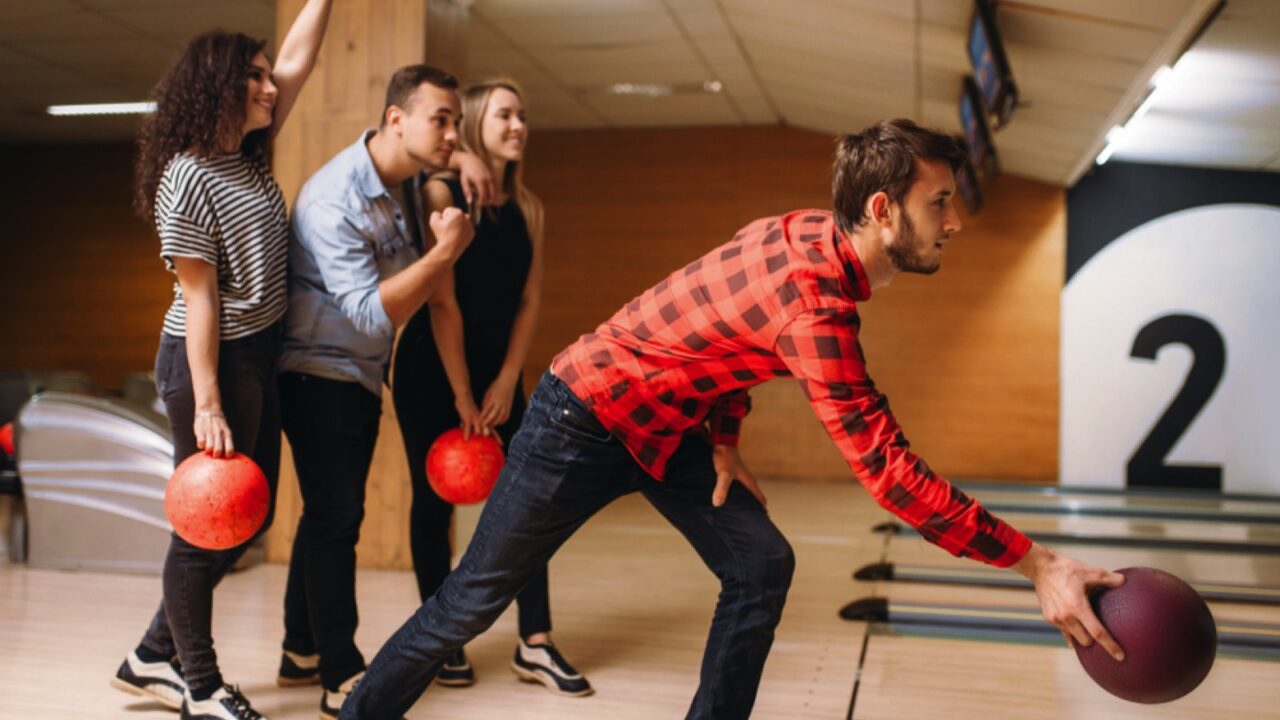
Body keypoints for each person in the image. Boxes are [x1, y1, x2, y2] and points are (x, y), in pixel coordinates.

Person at [339, 119, 1127, 720]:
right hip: (580, 416)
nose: (954, 222)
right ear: (883, 210)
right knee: (472, 599)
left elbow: (725, 339)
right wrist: (1036, 564)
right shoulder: (817, 308)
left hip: (670, 426)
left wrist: (723, 442)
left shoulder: (804, 230)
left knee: (760, 564)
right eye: (940, 203)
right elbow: (889, 474)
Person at [109, 3, 334, 719]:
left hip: (254, 356)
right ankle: (199, 685)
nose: (273, 86)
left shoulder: (246, 157)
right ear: (219, 86)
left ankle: (150, 653)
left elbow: (299, 58)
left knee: (249, 518)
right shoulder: (188, 176)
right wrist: (207, 402)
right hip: (207, 360)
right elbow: (199, 301)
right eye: (257, 77)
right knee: (204, 525)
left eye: (270, 76)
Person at [273, 64, 477, 720]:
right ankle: (341, 674)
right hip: (316, 373)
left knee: (325, 515)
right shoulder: (337, 196)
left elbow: (433, 299)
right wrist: (445, 254)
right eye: (440, 120)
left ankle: (300, 649)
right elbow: (368, 313)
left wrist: (459, 167)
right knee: (338, 520)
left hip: (355, 373)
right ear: (396, 120)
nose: (452, 134)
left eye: (457, 124)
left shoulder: (406, 181)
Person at [391, 79, 591, 696]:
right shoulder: (442, 190)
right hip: (433, 370)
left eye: (523, 116)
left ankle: (536, 642)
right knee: (435, 505)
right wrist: (462, 395)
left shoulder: (529, 206)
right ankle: (439, 640)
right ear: (477, 121)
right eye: (505, 114)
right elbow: (442, 299)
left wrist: (507, 378)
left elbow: (529, 299)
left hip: (501, 375)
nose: (518, 126)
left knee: (530, 504)